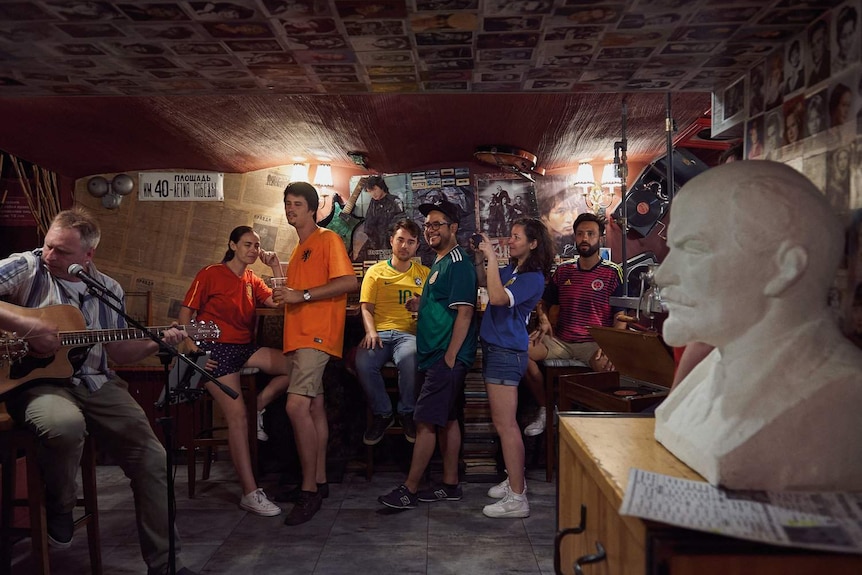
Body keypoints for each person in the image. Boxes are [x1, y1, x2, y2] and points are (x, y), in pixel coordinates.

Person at [0, 208, 197, 575]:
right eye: (48, 246)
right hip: (35, 382)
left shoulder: (108, 289)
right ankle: (60, 506)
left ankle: (166, 564)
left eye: (61, 252)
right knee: (64, 425)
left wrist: (158, 342)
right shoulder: (27, 267)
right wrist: (26, 324)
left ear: (87, 256)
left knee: (153, 458)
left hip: (96, 380)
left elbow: (118, 352)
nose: (49, 256)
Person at [654, 160, 862, 491]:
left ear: (784, 269)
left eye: (694, 248)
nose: (662, 275)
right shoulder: (712, 372)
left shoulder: (844, 400)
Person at [178, 226, 292, 517]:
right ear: (232, 245)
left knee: (297, 369)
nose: (253, 250)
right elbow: (185, 314)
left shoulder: (253, 279)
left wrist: (276, 264)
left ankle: (259, 407)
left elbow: (279, 302)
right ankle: (250, 493)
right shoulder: (210, 273)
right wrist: (193, 348)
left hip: (243, 348)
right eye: (247, 244)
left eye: (256, 245)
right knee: (237, 416)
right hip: (214, 352)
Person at [378, 199, 477, 509]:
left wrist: (449, 358)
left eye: (437, 224)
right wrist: (425, 305)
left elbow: (464, 313)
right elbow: (446, 303)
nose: (431, 229)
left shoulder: (459, 262)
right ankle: (450, 484)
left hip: (443, 357)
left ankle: (409, 488)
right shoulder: (441, 261)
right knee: (446, 419)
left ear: (454, 228)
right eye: (428, 225)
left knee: (423, 422)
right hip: (434, 354)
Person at [271, 181, 358, 525]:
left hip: (317, 336)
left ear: (312, 209)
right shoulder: (298, 249)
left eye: (297, 204)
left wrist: (302, 296)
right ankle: (319, 482)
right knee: (315, 406)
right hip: (299, 337)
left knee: (295, 405)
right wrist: (284, 285)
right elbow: (293, 293)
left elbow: (349, 282)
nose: (291, 209)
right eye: (287, 204)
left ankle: (308, 490)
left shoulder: (327, 239)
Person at [473, 218, 553, 519]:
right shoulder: (515, 270)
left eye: (517, 237)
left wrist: (492, 257)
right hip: (498, 349)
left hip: (507, 352)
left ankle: (518, 498)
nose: (510, 240)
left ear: (533, 243)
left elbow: (495, 297)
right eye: (511, 235)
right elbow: (486, 282)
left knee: (506, 425)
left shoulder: (533, 277)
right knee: (505, 423)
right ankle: (514, 479)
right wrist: (483, 257)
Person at [522, 213, 627, 436]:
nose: (585, 238)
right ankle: (547, 408)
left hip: (594, 344)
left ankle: (603, 431)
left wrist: (612, 348)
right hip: (561, 341)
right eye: (580, 234)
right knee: (520, 352)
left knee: (612, 371)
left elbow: (620, 317)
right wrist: (542, 317)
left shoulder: (612, 273)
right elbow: (542, 302)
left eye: (590, 234)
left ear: (601, 237)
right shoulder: (564, 271)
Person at [355, 218, 430, 445]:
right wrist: (370, 332)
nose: (404, 246)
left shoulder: (425, 273)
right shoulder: (375, 272)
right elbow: (366, 308)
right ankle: (384, 413)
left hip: (409, 334)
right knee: (363, 362)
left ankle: (407, 411)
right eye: (400, 240)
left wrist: (422, 308)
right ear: (391, 241)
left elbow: (434, 308)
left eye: (410, 241)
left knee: (411, 359)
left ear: (417, 245)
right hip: (379, 333)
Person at [362, 174, 406, 256]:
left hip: (393, 240)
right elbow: (368, 225)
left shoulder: (395, 201)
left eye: (374, 189)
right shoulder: (373, 203)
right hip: (376, 242)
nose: (373, 194)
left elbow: (401, 221)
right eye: (370, 191)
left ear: (381, 187)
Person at [832, 4, 858, 73]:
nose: (848, 41)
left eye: (850, 33)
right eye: (843, 36)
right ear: (838, 39)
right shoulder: (834, 67)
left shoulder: (857, 59)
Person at [807, 18, 830, 86]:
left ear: (826, 39)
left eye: (819, 41)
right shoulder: (814, 72)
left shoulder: (829, 62)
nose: (815, 49)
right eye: (813, 45)